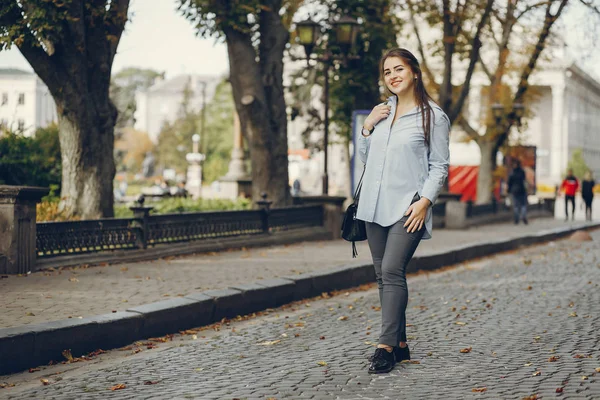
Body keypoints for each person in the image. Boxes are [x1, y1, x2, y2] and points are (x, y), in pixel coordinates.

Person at [356, 48, 450, 374]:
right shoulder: (382, 112)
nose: (393, 76)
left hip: (408, 206)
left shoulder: (433, 116)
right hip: (372, 204)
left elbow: (439, 166)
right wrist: (367, 127)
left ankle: (384, 346)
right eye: (387, 71)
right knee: (383, 276)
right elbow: (369, 159)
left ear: (415, 73)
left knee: (393, 270)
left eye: (399, 69)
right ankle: (400, 343)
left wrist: (425, 201)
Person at [507, 159, 528, 224]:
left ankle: (516, 218)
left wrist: (509, 190)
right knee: (523, 204)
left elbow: (509, 183)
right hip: (522, 190)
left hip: (514, 191)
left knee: (516, 205)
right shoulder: (522, 172)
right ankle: (523, 216)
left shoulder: (512, 173)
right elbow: (524, 181)